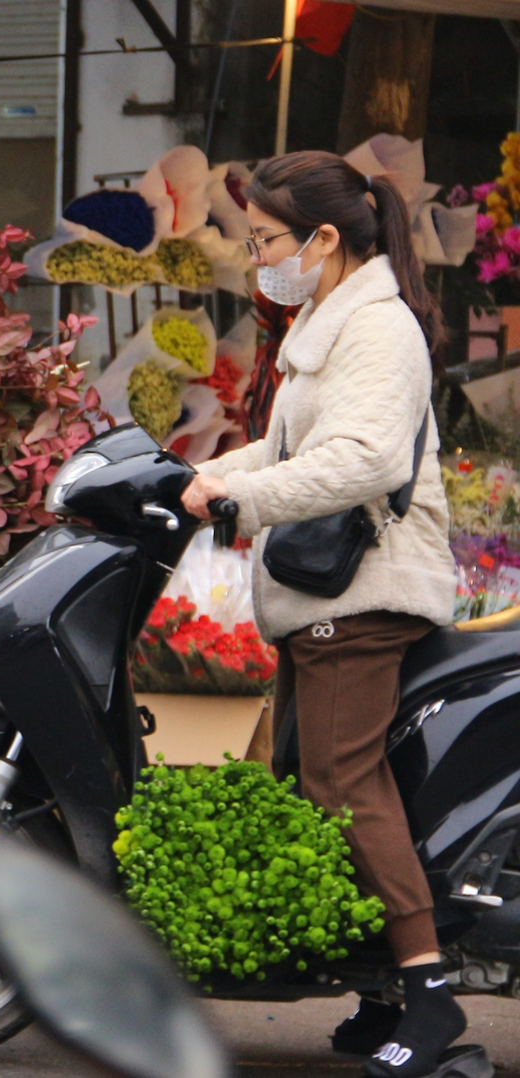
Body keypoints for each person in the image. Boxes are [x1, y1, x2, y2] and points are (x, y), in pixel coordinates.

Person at [181, 152, 459, 1078]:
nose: (256, 255)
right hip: (325, 594)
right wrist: (209, 475)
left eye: (264, 240)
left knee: (341, 783)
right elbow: (293, 443)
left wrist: (238, 504)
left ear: (325, 239)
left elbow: (367, 460)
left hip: (366, 593)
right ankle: (378, 987)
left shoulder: (377, 330)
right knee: (315, 779)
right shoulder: (331, 324)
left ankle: (430, 998)